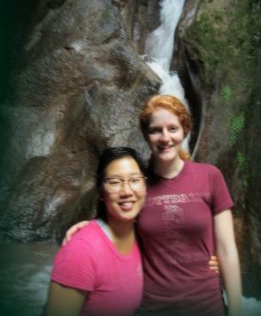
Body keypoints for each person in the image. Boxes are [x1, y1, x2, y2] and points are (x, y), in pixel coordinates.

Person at [65, 95, 241, 316]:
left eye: (172, 128)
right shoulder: (137, 185)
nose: (165, 137)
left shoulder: (210, 176)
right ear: (146, 135)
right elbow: (118, 229)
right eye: (156, 130)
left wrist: (235, 310)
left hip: (207, 305)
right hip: (152, 306)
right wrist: (90, 228)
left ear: (185, 130)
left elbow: (227, 250)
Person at [42, 147, 148, 316]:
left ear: (145, 185)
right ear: (101, 193)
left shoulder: (144, 235)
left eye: (135, 180)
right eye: (114, 182)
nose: (127, 191)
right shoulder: (81, 251)